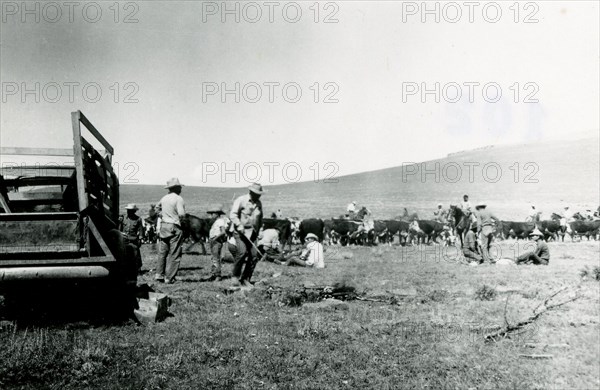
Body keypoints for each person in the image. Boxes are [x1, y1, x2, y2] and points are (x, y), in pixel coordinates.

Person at [230, 182, 265, 286]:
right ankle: (235, 278)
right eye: (256, 193)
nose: (258, 195)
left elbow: (260, 219)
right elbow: (233, 214)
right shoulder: (241, 200)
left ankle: (246, 279)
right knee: (242, 252)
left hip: (253, 233)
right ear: (250, 192)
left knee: (254, 256)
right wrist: (239, 225)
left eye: (259, 193)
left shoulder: (258, 203)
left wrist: (260, 232)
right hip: (240, 233)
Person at [155, 178, 186, 284]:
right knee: (175, 253)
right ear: (176, 188)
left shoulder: (164, 198)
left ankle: (159, 274)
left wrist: (162, 215)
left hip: (164, 226)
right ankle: (169, 277)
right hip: (174, 226)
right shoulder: (178, 199)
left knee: (162, 252)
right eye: (180, 187)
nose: (181, 188)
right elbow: (181, 214)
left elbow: (156, 208)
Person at [207, 204, 231, 281]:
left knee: (216, 259)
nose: (211, 215)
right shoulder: (217, 221)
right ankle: (214, 274)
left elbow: (223, 232)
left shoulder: (220, 221)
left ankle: (217, 275)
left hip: (216, 241)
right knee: (214, 258)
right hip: (214, 241)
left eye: (212, 214)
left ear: (217, 214)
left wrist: (215, 239)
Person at [119, 203, 144, 272]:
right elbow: (119, 229)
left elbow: (141, 230)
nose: (129, 212)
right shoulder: (123, 218)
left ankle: (137, 268)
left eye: (131, 210)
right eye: (128, 210)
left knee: (135, 254)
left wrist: (140, 239)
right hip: (124, 239)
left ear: (134, 211)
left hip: (133, 239)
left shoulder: (138, 219)